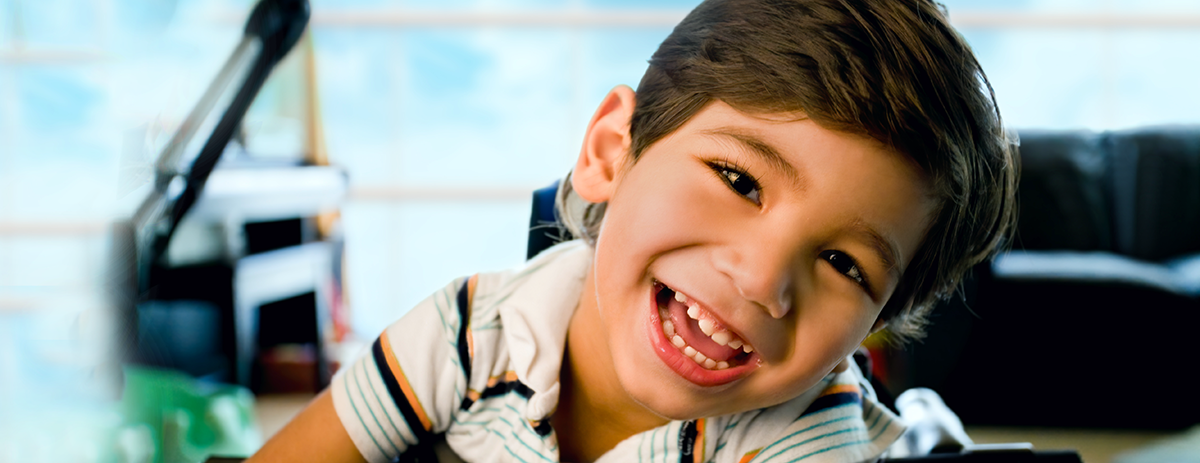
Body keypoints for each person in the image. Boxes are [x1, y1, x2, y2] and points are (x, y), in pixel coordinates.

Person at [248, 0, 1017, 461]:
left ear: (873, 327)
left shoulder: (797, 439)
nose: (761, 279)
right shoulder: (470, 327)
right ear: (610, 151)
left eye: (845, 264)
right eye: (739, 180)